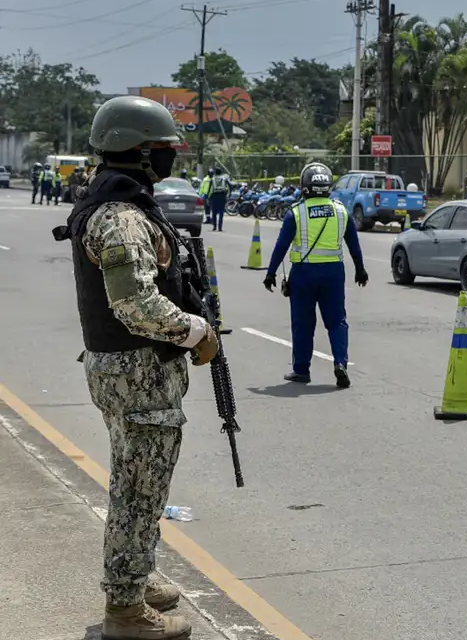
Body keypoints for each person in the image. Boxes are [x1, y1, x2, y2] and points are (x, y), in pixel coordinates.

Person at [59, 95, 219, 640]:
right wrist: (197, 332)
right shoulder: (124, 219)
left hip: (122, 370)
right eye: (165, 149)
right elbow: (136, 305)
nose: (172, 156)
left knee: (139, 480)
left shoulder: (108, 204)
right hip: (137, 373)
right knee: (139, 490)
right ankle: (126, 609)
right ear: (142, 153)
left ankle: (137, 572)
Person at [263, 163, 368, 387]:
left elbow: (281, 246)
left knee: (303, 324)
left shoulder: (296, 213)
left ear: (304, 185)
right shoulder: (342, 212)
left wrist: (271, 273)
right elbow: (354, 245)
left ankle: (301, 370)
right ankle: (340, 363)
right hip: (334, 274)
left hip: (303, 274)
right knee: (337, 321)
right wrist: (360, 269)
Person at [209, 167, 230, 232]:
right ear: (221, 172)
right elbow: (230, 185)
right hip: (222, 196)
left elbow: (209, 189)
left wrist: (208, 197)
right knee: (221, 212)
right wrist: (229, 194)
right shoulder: (224, 179)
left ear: (215, 172)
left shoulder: (212, 179)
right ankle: (220, 227)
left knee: (214, 212)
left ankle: (214, 227)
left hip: (214, 196)